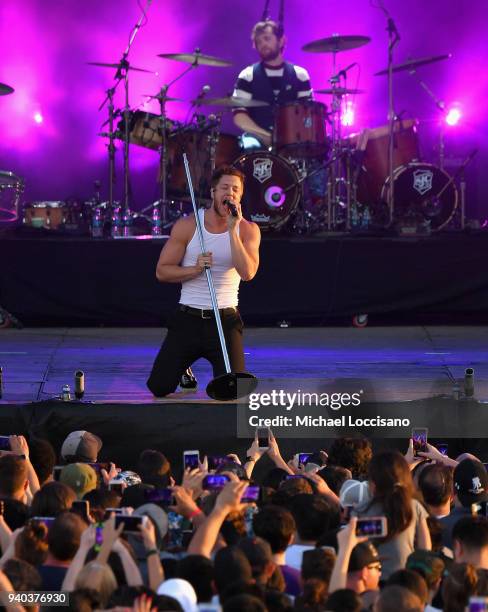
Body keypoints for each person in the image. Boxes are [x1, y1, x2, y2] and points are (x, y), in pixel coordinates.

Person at [147, 165, 260, 397]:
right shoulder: (188, 225)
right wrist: (194, 269)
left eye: (235, 190)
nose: (230, 194)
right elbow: (162, 271)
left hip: (225, 320)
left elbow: (248, 273)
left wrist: (232, 231)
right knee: (159, 387)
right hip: (188, 317)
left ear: (240, 196)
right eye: (225, 188)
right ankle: (183, 370)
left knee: (232, 390)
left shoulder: (248, 230)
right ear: (213, 192)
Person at [232, 19, 312, 147]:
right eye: (258, 41)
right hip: (257, 139)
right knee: (250, 146)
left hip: (292, 140)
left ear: (281, 41)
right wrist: (265, 136)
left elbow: (307, 114)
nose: (262, 44)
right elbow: (239, 115)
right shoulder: (247, 75)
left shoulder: (300, 75)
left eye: (267, 39)